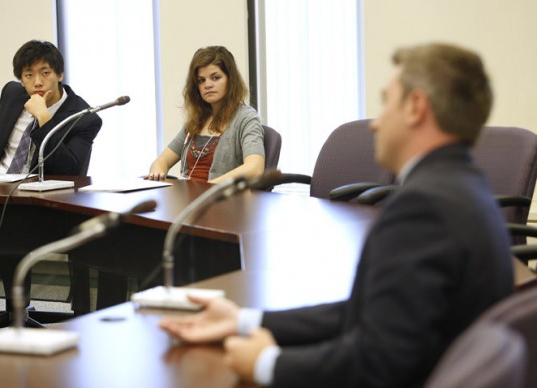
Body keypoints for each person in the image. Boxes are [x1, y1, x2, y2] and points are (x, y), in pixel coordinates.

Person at [159, 42, 514, 387]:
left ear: (416, 107)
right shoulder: (464, 186)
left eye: (386, 101)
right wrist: (244, 320)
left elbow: (377, 361)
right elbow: (363, 313)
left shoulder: (423, 209)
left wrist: (268, 364)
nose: (376, 124)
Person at [0, 40, 102, 312]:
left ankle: (17, 313)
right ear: (20, 79)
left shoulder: (84, 117)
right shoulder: (12, 95)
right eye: (28, 75)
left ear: (60, 74)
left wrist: (44, 118)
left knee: (11, 227)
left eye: (45, 73)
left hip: (38, 206)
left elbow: (69, 169)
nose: (37, 82)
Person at [146, 46, 265, 184]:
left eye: (215, 78)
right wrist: (157, 172)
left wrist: (209, 188)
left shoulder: (246, 118)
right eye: (201, 80)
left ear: (230, 80)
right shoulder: (197, 120)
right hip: (189, 200)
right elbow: (161, 161)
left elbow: (255, 168)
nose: (207, 85)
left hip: (221, 200)